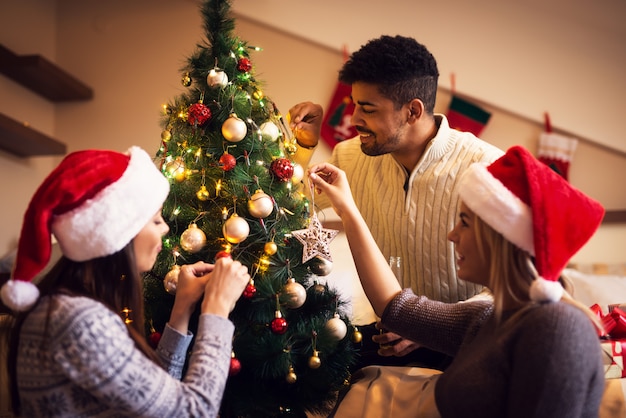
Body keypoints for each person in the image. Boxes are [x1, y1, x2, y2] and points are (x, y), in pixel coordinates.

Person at [307, 145, 606, 417]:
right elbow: (395, 306)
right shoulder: (492, 318)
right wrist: (347, 209)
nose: (452, 235)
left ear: (499, 236)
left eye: (464, 222)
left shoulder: (556, 329)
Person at [289, 34, 503, 369]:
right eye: (354, 104)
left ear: (413, 111)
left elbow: (520, 286)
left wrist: (433, 326)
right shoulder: (349, 156)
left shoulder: (487, 167)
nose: (354, 118)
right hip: (382, 344)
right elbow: (287, 209)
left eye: (368, 109)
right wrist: (303, 147)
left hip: (468, 352)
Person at [0, 146, 250, 417]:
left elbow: (156, 401)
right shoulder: (79, 321)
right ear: (118, 234)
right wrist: (217, 308)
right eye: (155, 221)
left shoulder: (68, 307)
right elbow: (195, 411)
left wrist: (182, 309)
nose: (165, 228)